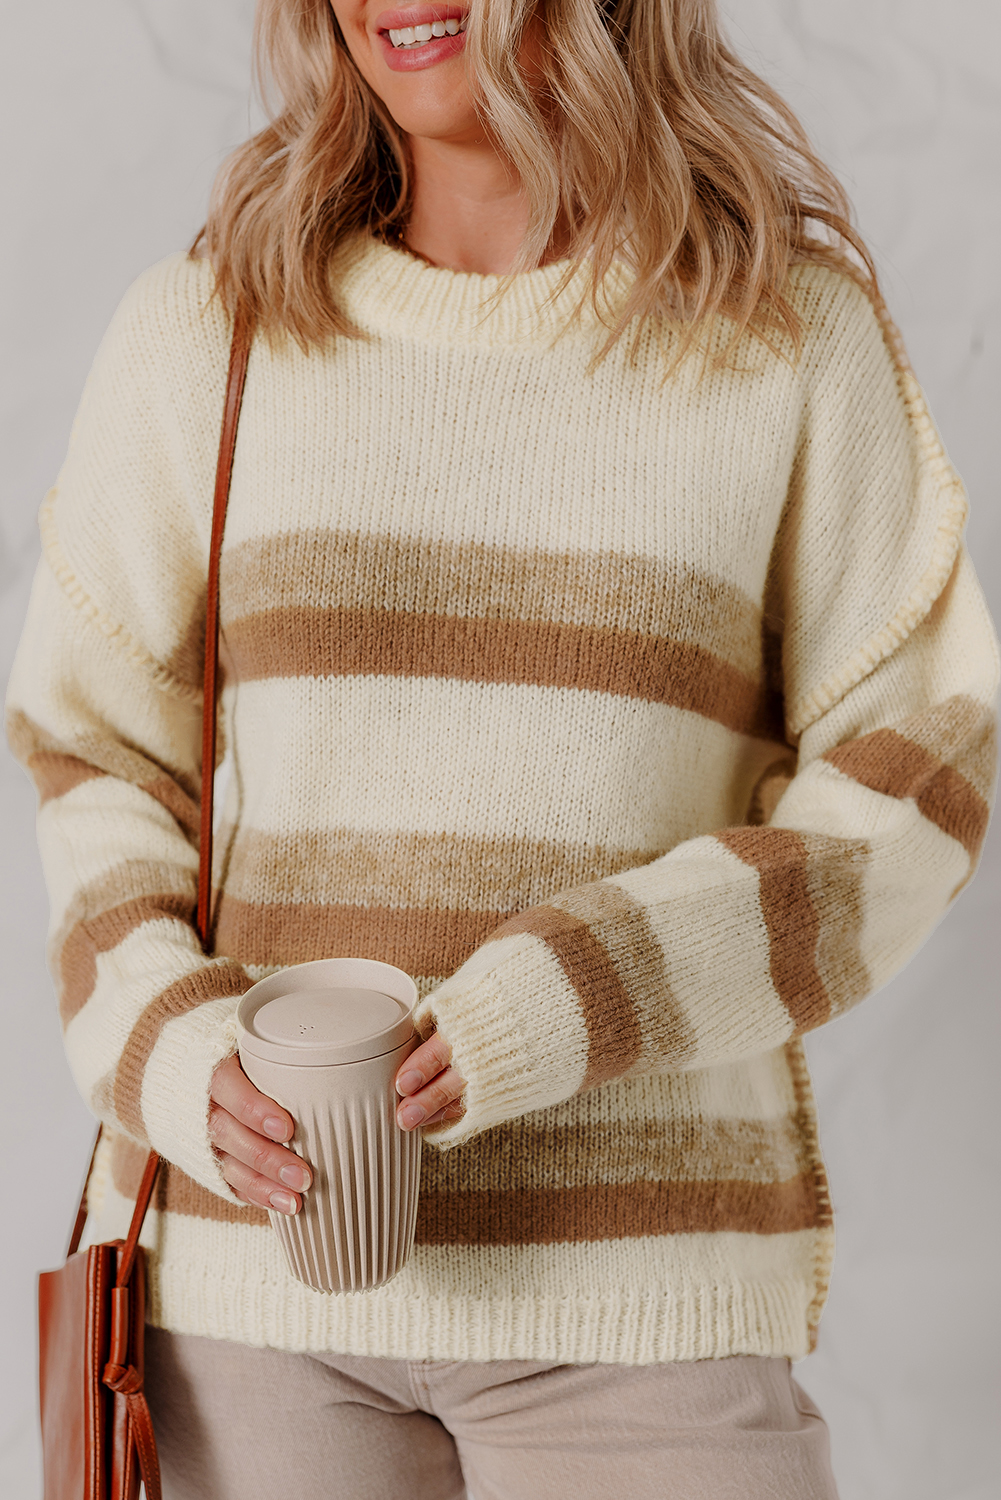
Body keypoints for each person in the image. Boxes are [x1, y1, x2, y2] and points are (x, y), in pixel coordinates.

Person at [6, 0, 998, 1494]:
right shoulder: (211, 328)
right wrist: (175, 1051)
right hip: (255, 1289)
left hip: (643, 1297)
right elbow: (90, 751)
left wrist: (580, 987)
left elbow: (919, 780)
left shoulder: (781, 332)